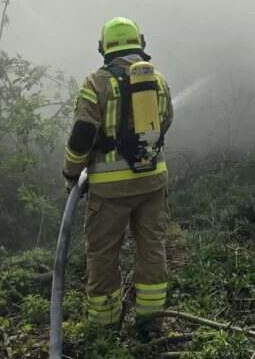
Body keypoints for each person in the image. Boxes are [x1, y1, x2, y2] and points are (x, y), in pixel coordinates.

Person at [62, 17, 173, 335]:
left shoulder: (96, 83)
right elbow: (165, 124)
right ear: (140, 42)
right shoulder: (159, 81)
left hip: (110, 191)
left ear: (104, 48)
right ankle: (150, 324)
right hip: (153, 181)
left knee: (103, 254)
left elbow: (82, 135)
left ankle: (105, 328)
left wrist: (71, 174)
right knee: (152, 247)